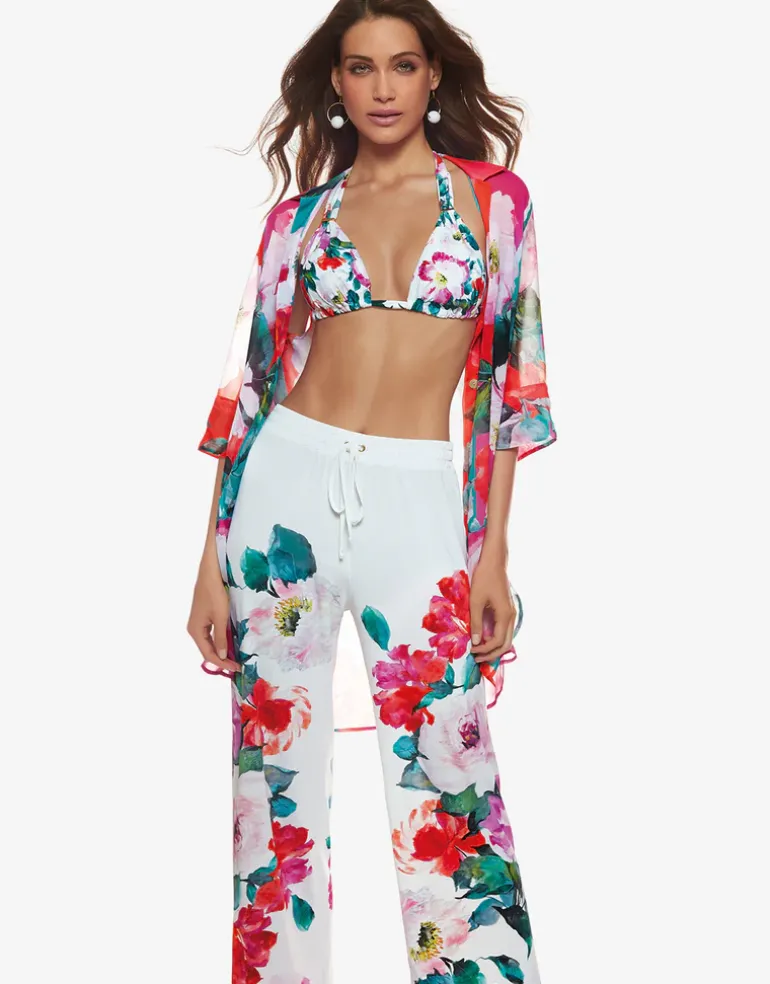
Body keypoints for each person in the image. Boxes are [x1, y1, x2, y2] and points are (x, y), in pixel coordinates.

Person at [187, 1, 557, 981]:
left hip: (414, 502)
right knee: (273, 790)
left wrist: (490, 552)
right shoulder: (298, 221)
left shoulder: (492, 201)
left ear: (433, 76)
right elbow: (250, 386)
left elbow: (505, 386)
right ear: (336, 85)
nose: (382, 88)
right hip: (281, 497)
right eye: (360, 68)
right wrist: (209, 564)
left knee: (449, 776)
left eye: (401, 65)